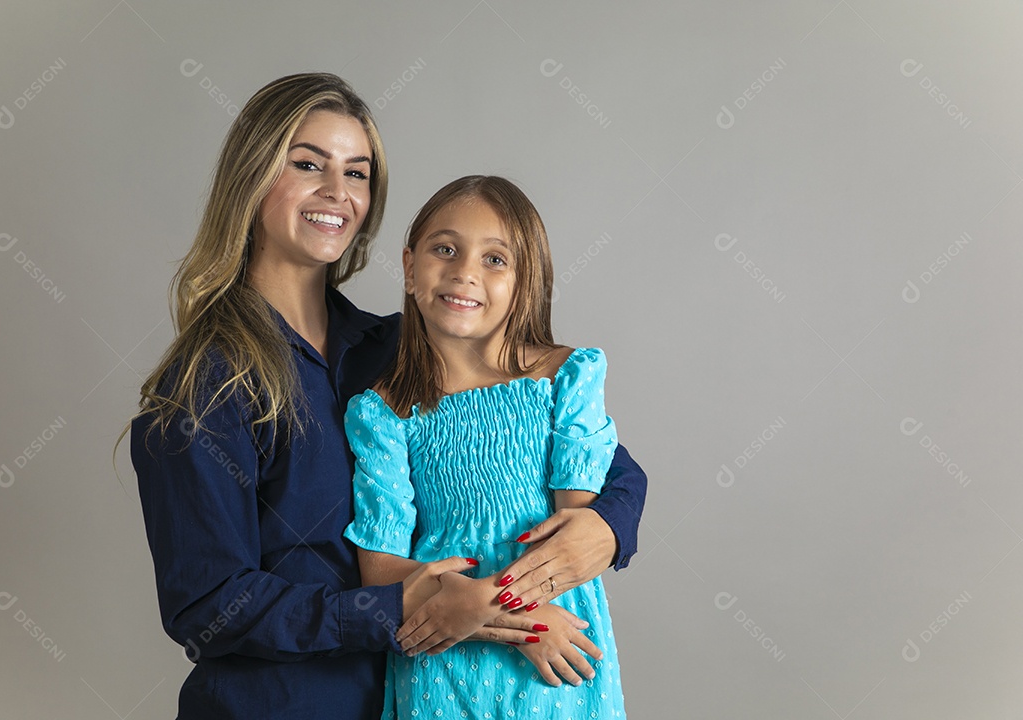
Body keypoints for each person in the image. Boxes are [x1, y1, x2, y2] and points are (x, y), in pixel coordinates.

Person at [129, 73, 646, 719]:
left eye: (356, 173)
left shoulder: (405, 350)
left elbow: (587, 448)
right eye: (307, 164)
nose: (336, 192)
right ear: (251, 177)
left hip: (433, 696)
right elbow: (208, 607)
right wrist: (407, 607)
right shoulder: (205, 387)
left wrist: (608, 526)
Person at [344, 175, 627, 718]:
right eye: (445, 249)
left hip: (557, 652)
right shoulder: (383, 415)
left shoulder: (566, 379)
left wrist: (519, 615)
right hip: (444, 654)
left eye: (495, 259)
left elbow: (573, 541)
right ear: (409, 267)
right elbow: (379, 570)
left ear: (526, 283)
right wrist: (491, 612)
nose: (464, 272)